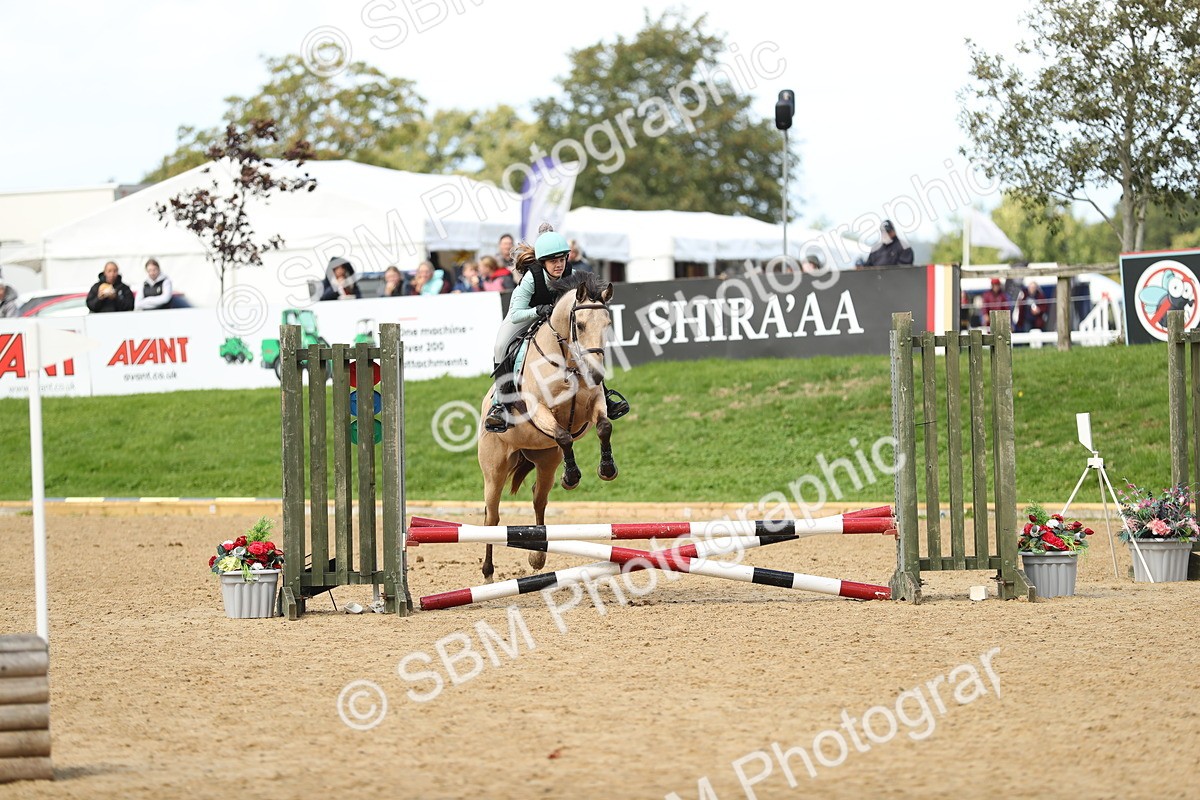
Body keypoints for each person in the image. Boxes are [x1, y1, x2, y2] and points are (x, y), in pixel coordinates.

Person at [483, 226, 629, 433]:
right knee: (500, 346)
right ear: (543, 262)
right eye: (553, 261)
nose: (559, 265)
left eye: (562, 259)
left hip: (557, 321)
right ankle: (500, 404)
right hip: (524, 317)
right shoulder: (531, 278)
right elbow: (515, 313)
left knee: (588, 345)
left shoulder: (574, 274)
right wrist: (538, 310)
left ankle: (604, 395)